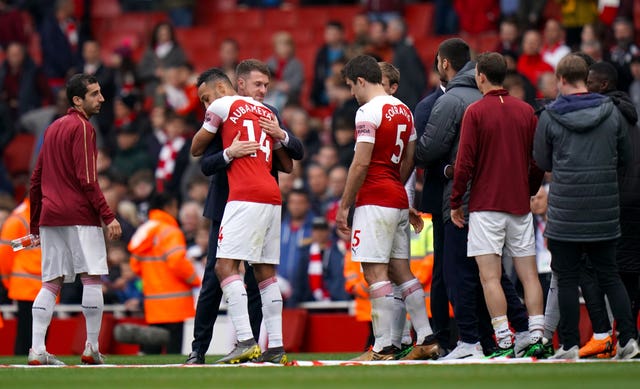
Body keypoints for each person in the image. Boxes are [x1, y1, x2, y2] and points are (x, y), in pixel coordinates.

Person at [415, 38, 530, 360]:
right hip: (501, 198)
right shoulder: (508, 104)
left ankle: (470, 341)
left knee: (458, 273)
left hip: (463, 201)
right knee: (496, 273)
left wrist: (415, 150)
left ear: (443, 63)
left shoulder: (452, 102)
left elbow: (432, 152)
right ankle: (522, 331)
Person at [185, 59, 303, 365]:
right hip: (267, 197)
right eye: (258, 84)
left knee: (226, 270)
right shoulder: (265, 113)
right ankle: (272, 347)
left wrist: (277, 136)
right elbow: (289, 164)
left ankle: (246, 341)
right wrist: (230, 152)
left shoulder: (224, 108)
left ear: (222, 88)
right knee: (261, 273)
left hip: (243, 197)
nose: (264, 90)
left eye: (207, 98)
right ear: (240, 83)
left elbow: (196, 149)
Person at [533, 54, 639, 360]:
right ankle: (628, 339)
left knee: (566, 276)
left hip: (566, 208)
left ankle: (568, 345)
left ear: (561, 80)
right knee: (609, 274)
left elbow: (542, 160)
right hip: (604, 207)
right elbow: (626, 156)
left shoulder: (550, 115)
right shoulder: (612, 112)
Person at [336, 54, 439, 361]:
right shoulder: (404, 109)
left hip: (374, 199)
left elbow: (361, 162)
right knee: (400, 271)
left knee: (375, 272)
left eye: (352, 87)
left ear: (361, 81)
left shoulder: (367, 112)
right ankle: (427, 337)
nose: (352, 94)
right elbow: (410, 157)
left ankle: (383, 347)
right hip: (396, 196)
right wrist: (397, 185)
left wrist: (344, 206)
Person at [450, 52, 546, 357]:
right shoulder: (525, 111)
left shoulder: (476, 112)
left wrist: (455, 201)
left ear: (480, 76)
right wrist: (528, 191)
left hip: (486, 206)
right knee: (528, 274)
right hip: (518, 206)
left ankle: (504, 339)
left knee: (489, 277)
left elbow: (464, 163)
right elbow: (537, 161)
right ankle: (538, 335)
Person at [28, 73, 122, 365]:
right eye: (94, 94)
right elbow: (88, 179)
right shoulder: (82, 128)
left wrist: (34, 225)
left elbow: (35, 179)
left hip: (50, 216)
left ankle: (36, 350)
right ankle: (91, 347)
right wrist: (108, 216)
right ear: (77, 100)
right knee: (91, 277)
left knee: (50, 283)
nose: (102, 98)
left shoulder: (54, 127)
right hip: (80, 215)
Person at [128, 192, 201, 354]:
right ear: (168, 207)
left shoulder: (145, 231)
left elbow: (135, 265)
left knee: (151, 357)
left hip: (153, 304)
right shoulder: (171, 232)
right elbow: (177, 261)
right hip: (175, 305)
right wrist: (195, 279)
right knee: (173, 356)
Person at [0, 197, 42, 355]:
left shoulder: (36, 214)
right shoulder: (19, 218)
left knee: (37, 333)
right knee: (27, 333)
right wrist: (6, 280)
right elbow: (8, 249)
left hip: (42, 284)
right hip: (27, 284)